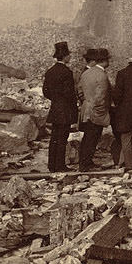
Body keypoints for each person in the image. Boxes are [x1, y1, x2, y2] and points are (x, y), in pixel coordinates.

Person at [43, 41, 77, 172]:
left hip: (55, 109)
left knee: (54, 139)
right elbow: (70, 94)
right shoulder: (67, 72)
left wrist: (56, 99)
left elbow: (45, 91)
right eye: (69, 55)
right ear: (65, 56)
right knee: (62, 138)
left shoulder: (50, 71)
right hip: (65, 110)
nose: (70, 57)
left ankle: (52, 165)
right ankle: (60, 165)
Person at [77, 48, 111, 171]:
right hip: (96, 111)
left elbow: (80, 91)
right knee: (93, 137)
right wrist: (100, 110)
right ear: (104, 61)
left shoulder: (86, 73)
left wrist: (86, 102)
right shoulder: (102, 75)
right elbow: (101, 96)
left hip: (86, 109)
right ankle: (86, 164)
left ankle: (85, 162)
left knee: (87, 137)